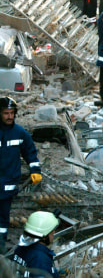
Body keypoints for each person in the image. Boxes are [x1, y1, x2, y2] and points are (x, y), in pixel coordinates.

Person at [0, 97, 42, 254]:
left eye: (12, 113)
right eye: (6, 113)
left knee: (2, 219)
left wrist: (35, 171)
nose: (9, 116)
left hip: (8, 186)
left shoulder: (20, 133)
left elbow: (30, 153)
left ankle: (1, 247)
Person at [12, 211, 60, 277]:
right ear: (44, 236)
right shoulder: (41, 260)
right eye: (52, 231)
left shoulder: (20, 248)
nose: (53, 233)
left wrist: (54, 271)